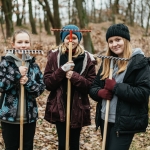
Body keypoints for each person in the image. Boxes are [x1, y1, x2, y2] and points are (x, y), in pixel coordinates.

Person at [89, 23, 150, 150]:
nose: (114, 44)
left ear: (126, 40)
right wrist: (100, 93)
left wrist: (116, 87)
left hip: (124, 122)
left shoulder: (139, 63)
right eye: (110, 41)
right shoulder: (108, 61)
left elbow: (142, 93)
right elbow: (93, 87)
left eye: (118, 39)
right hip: (105, 118)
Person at [44, 24, 96, 150]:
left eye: (74, 38)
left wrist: (74, 76)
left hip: (77, 107)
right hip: (59, 105)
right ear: (63, 39)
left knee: (74, 145)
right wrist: (61, 71)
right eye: (67, 38)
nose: (71, 40)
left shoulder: (87, 58)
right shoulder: (54, 56)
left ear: (79, 39)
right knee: (63, 144)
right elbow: (48, 84)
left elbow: (90, 86)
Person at [0, 29, 45, 150]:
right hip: (9, 117)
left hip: (29, 117)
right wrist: (16, 74)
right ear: (13, 44)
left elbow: (40, 89)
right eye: (19, 42)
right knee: (11, 147)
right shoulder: (5, 63)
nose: (23, 45)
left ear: (30, 44)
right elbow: (1, 86)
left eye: (26, 42)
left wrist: (28, 82)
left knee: (27, 147)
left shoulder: (33, 65)